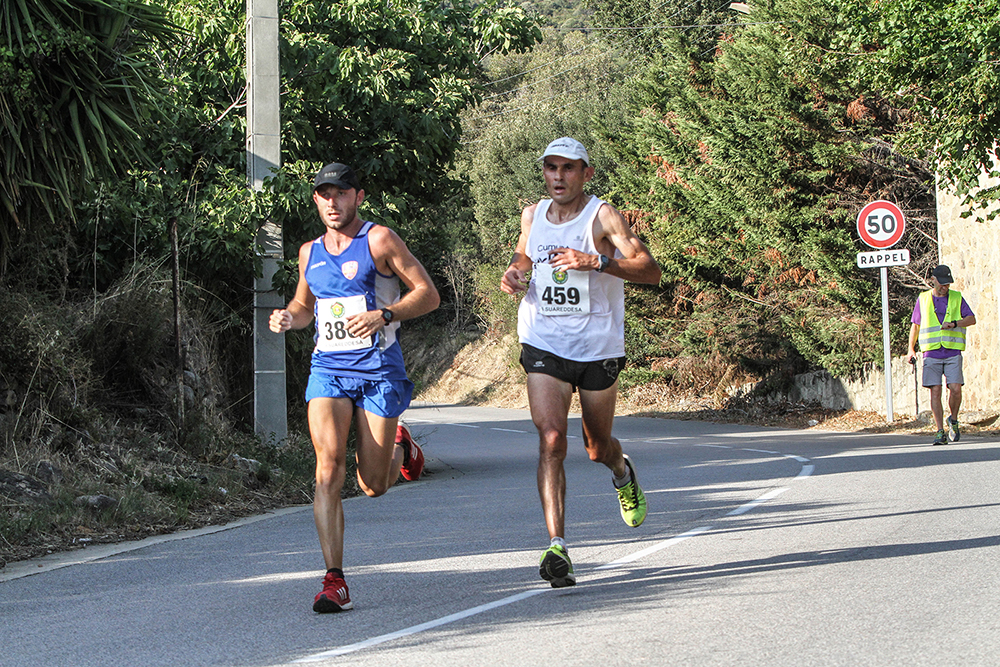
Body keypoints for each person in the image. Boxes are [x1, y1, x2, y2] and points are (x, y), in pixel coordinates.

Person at [269, 162, 440, 612]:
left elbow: (428, 293)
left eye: (341, 193)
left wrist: (385, 315)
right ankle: (334, 581)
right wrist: (289, 318)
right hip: (329, 369)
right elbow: (305, 307)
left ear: (358, 196)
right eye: (324, 194)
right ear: (315, 200)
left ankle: (403, 451)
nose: (332, 201)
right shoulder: (309, 252)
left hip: (379, 370)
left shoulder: (379, 240)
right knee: (327, 469)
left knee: (373, 485)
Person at [500, 137, 662, 588]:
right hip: (543, 341)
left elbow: (651, 270)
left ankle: (621, 471)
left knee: (596, 446)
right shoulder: (533, 215)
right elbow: (523, 255)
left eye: (568, 168)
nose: (558, 176)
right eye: (551, 167)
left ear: (585, 173)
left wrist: (599, 261)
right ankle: (558, 547)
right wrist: (515, 274)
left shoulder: (603, 216)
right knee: (551, 439)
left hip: (597, 348)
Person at [904, 264, 976, 445]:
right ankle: (939, 431)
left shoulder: (957, 298)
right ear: (933, 280)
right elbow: (916, 325)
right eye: (942, 284)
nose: (945, 287)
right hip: (931, 353)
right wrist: (910, 349)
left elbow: (971, 319)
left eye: (947, 284)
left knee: (956, 388)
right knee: (935, 391)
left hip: (952, 352)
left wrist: (954, 323)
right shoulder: (924, 299)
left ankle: (953, 419)